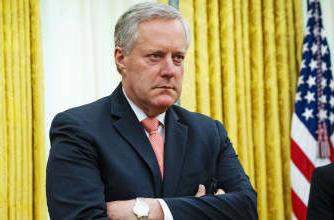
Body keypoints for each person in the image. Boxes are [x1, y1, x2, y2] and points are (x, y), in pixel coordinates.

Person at [46, 2, 258, 219]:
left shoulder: (209, 132)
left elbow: (247, 208)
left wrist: (150, 210)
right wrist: (205, 209)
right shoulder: (77, 129)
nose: (170, 70)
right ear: (121, 59)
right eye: (155, 56)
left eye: (178, 57)